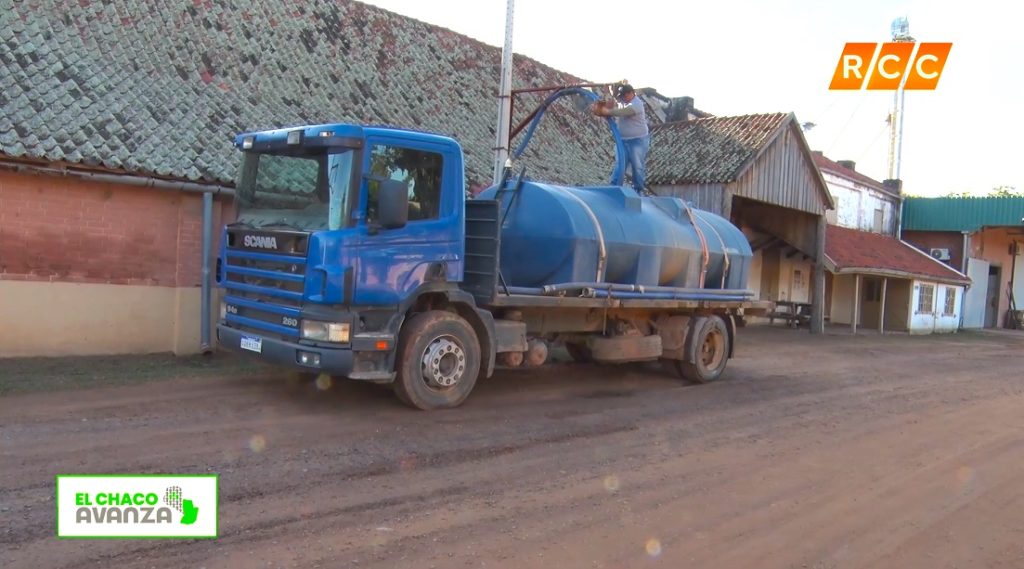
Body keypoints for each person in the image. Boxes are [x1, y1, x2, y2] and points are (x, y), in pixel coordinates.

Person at [593, 83, 651, 195]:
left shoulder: (637, 104)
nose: (622, 98)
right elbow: (612, 104)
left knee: (637, 165)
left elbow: (622, 112)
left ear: (631, 93)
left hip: (638, 140)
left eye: (624, 95)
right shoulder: (623, 101)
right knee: (620, 164)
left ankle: (638, 190)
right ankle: (614, 187)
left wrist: (607, 112)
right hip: (623, 140)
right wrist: (607, 94)